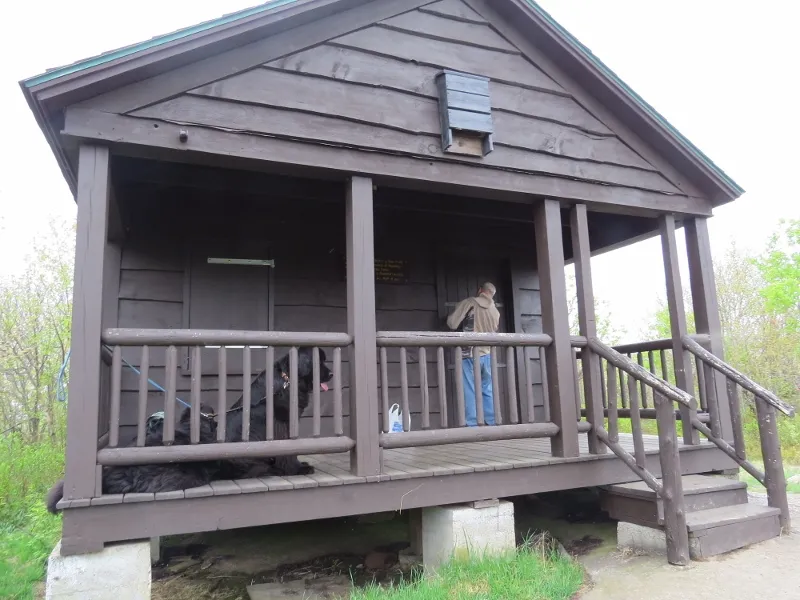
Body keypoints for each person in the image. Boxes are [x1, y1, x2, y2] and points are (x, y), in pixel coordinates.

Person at [446, 282, 500, 427]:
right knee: (487, 390)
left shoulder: (470, 303)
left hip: (469, 353)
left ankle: (472, 424)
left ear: (480, 290)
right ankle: (493, 423)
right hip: (487, 354)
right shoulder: (495, 311)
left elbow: (452, 323)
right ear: (491, 293)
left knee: (469, 389)